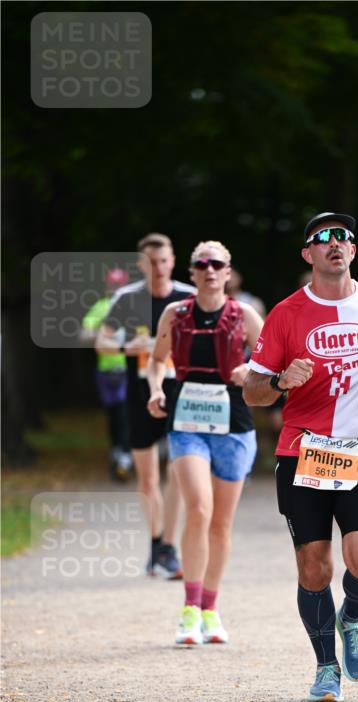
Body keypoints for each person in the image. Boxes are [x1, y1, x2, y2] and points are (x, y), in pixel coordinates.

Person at [243, 212, 358, 702]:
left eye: (343, 237)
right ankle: (325, 667)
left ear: (353, 251)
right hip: (304, 449)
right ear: (308, 253)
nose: (334, 243)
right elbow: (252, 390)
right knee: (314, 568)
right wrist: (280, 381)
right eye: (323, 238)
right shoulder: (285, 313)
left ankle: (351, 619)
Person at [147, 241, 263, 645]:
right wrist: (156, 389)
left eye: (217, 264)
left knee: (221, 523)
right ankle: (189, 610)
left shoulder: (245, 315)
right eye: (202, 264)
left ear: (228, 272)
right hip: (187, 421)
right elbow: (156, 360)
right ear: (193, 272)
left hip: (234, 425)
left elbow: (273, 362)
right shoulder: (176, 314)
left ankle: (211, 610)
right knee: (198, 507)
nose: (210, 270)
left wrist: (250, 370)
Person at [96, 234, 194, 579]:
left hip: (181, 392)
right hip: (139, 395)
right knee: (148, 477)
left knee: (178, 472)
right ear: (141, 264)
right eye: (151, 262)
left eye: (164, 260)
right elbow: (102, 341)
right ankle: (155, 545)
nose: (158, 267)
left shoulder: (188, 297)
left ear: (173, 260)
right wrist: (129, 347)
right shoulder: (127, 298)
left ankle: (169, 548)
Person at [81, 267, 132, 480]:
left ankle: (125, 456)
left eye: (120, 285)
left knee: (124, 413)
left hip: (127, 369)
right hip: (105, 370)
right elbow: (84, 334)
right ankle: (117, 451)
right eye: (113, 285)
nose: (116, 289)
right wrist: (103, 333)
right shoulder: (101, 307)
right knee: (113, 415)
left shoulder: (133, 307)